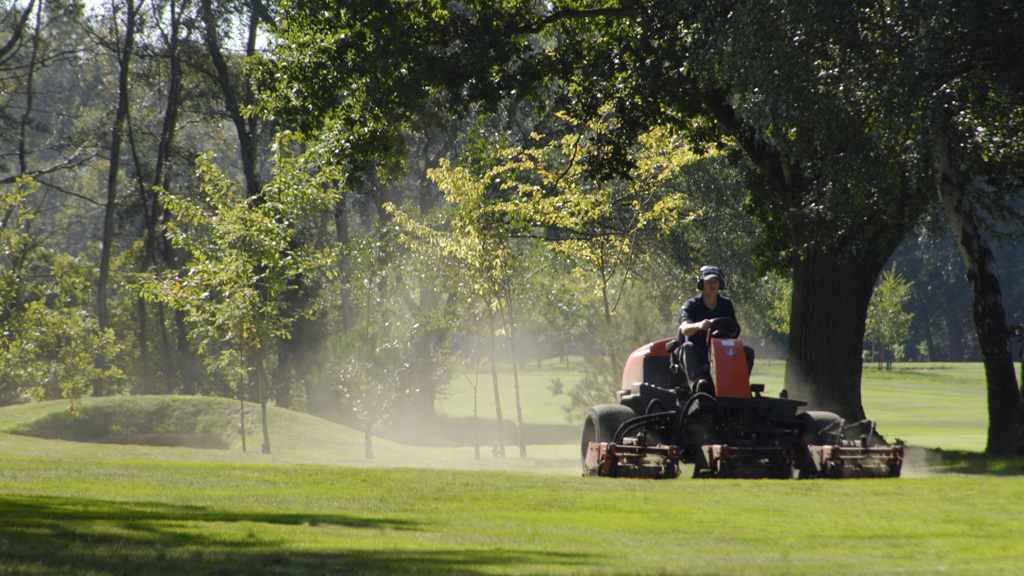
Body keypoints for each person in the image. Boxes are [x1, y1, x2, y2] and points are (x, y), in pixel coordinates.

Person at [676, 265, 755, 394]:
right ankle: (698, 385)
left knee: (747, 351)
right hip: (700, 354)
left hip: (722, 352)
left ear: (720, 284)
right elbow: (684, 329)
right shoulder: (691, 305)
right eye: (708, 282)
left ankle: (737, 387)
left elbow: (733, 330)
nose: (713, 285)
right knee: (686, 348)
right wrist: (699, 325)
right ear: (701, 284)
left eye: (716, 282)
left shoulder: (726, 305)